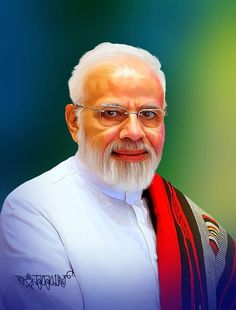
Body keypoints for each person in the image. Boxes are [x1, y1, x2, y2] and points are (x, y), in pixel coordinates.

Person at [0, 42, 235, 310]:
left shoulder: (194, 229)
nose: (134, 132)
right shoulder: (32, 209)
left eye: (149, 115)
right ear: (74, 122)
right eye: (111, 113)